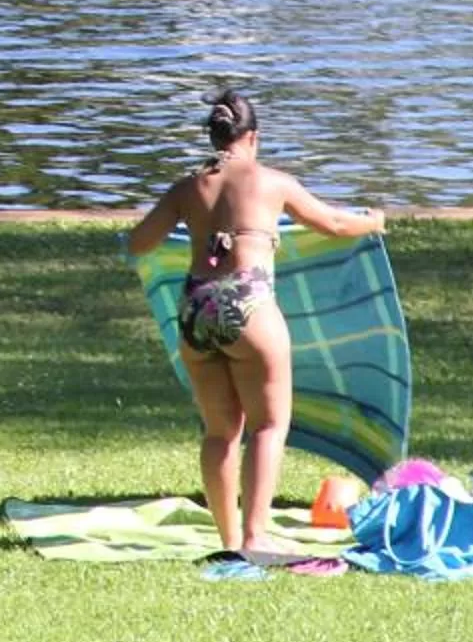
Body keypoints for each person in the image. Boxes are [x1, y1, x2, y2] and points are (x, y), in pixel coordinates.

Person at [124, 89, 385, 561]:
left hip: (197, 309)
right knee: (267, 426)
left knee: (220, 431)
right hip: (250, 304)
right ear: (254, 137)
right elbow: (332, 223)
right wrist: (373, 222)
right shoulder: (272, 182)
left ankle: (226, 540)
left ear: (214, 135)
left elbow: (139, 242)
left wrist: (194, 225)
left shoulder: (188, 187)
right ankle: (255, 536)